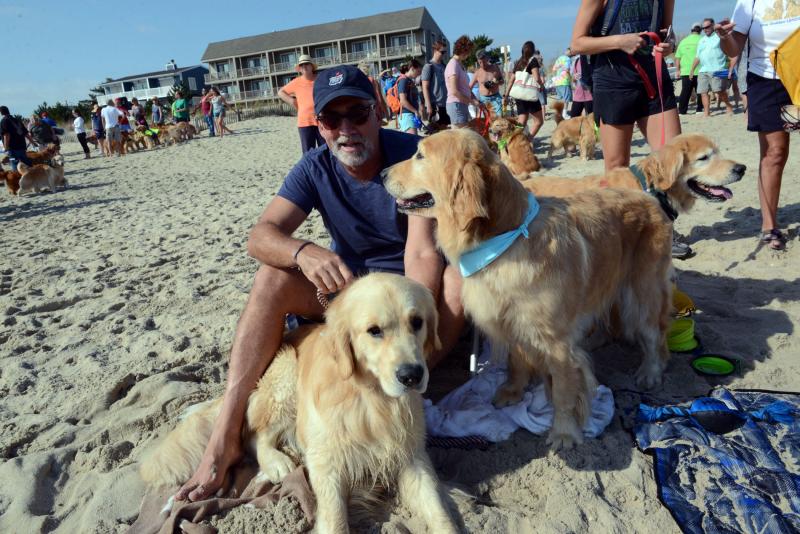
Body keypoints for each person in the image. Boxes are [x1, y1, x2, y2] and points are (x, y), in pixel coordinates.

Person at [173, 65, 465, 503]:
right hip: (348, 295)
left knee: (461, 276)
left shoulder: (411, 156)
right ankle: (226, 433)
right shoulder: (315, 167)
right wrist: (303, 251)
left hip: (407, 297)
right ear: (320, 126)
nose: (346, 128)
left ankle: (415, 377)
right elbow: (261, 235)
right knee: (272, 277)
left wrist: (410, 328)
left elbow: (422, 253)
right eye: (332, 119)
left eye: (358, 112)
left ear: (378, 112)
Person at [571, 0, 687, 259]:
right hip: (613, 81)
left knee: (673, 161)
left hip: (654, 78)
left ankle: (665, 229)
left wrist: (669, 46)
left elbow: (667, 35)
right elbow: (577, 43)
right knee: (617, 168)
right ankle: (620, 233)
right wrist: (619, 41)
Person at [717, 4, 798, 250]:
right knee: (775, 152)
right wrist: (725, 37)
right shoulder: (749, 3)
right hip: (766, 78)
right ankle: (769, 225)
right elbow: (734, 48)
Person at [278, 55, 323, 153]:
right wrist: (292, 101)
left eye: (306, 64)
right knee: (308, 153)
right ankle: (311, 169)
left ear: (312, 66)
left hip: (322, 120)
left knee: (325, 150)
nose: (304, 66)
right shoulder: (296, 82)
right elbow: (281, 92)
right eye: (302, 65)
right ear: (300, 68)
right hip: (304, 122)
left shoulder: (321, 79)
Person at [691, 18, 734, 116]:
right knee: (703, 92)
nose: (705, 29)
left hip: (717, 69)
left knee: (718, 90)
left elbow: (730, 49)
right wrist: (692, 70)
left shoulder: (719, 37)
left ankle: (728, 105)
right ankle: (707, 113)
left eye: (707, 27)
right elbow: (698, 56)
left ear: (713, 25)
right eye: (703, 28)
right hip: (703, 70)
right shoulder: (701, 40)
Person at [504, 41, 545, 139]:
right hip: (529, 96)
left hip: (519, 96)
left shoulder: (518, 62)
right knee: (539, 121)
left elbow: (511, 81)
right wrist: (541, 85)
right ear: (533, 50)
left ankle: (511, 140)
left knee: (521, 122)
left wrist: (506, 95)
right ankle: (528, 139)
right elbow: (536, 77)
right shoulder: (533, 61)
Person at [445, 35, 480, 128]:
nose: (469, 54)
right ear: (464, 50)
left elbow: (466, 88)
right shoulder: (453, 65)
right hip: (456, 105)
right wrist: (472, 102)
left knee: (466, 135)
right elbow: (454, 91)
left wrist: (475, 100)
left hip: (461, 105)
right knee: (461, 138)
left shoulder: (460, 64)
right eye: (469, 51)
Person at [674, 23, 705, 114]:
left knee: (685, 92)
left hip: (686, 71)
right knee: (701, 91)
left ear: (691, 30)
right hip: (700, 70)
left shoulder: (683, 41)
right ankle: (700, 109)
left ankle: (682, 111)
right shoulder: (703, 40)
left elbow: (677, 58)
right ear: (700, 30)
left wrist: (677, 70)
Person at [421, 40, 451, 129]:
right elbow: (424, 87)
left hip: (445, 104)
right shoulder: (428, 66)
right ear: (435, 51)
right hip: (435, 105)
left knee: (445, 132)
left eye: (445, 52)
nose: (444, 54)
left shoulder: (444, 66)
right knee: (436, 134)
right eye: (442, 52)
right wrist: (429, 105)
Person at [470, 49, 505, 117]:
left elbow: (502, 81)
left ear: (487, 59)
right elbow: (469, 88)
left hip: (496, 97)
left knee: (499, 118)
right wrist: (476, 100)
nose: (482, 64)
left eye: (484, 62)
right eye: (480, 62)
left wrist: (496, 82)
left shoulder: (495, 68)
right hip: (484, 99)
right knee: (487, 120)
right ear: (477, 61)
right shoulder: (477, 73)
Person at [0, 105, 35, 172]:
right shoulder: (17, 120)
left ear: (1, 113)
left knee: (15, 164)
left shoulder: (4, 121)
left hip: (12, 148)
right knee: (26, 163)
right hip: (22, 146)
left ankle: (18, 180)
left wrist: (6, 147)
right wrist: (33, 142)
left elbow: (6, 135)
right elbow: (26, 133)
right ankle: (32, 177)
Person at [397, 59, 423, 134]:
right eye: (418, 71)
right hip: (407, 115)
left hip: (410, 114)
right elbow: (403, 101)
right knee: (411, 142)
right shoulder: (403, 81)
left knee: (412, 141)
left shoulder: (409, 80)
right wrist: (415, 111)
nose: (419, 74)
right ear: (412, 69)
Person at [551, 49, 574, 114]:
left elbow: (554, 69)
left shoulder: (559, 59)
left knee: (559, 98)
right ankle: (564, 114)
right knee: (566, 98)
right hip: (564, 81)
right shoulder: (568, 59)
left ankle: (559, 112)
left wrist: (560, 66)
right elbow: (567, 69)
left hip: (557, 81)